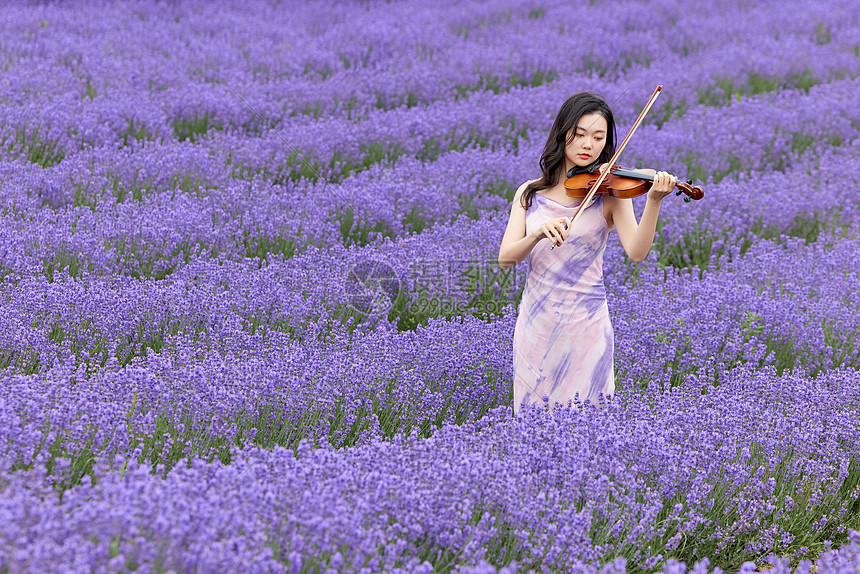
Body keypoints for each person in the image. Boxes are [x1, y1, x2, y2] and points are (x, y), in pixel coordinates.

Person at [497, 92, 676, 416]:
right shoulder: (529, 192)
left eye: (598, 137)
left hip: (587, 328)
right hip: (537, 328)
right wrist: (536, 233)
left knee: (590, 428)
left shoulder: (609, 194)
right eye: (579, 134)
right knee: (533, 426)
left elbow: (636, 252)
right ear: (563, 133)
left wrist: (653, 202)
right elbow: (506, 258)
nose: (587, 144)